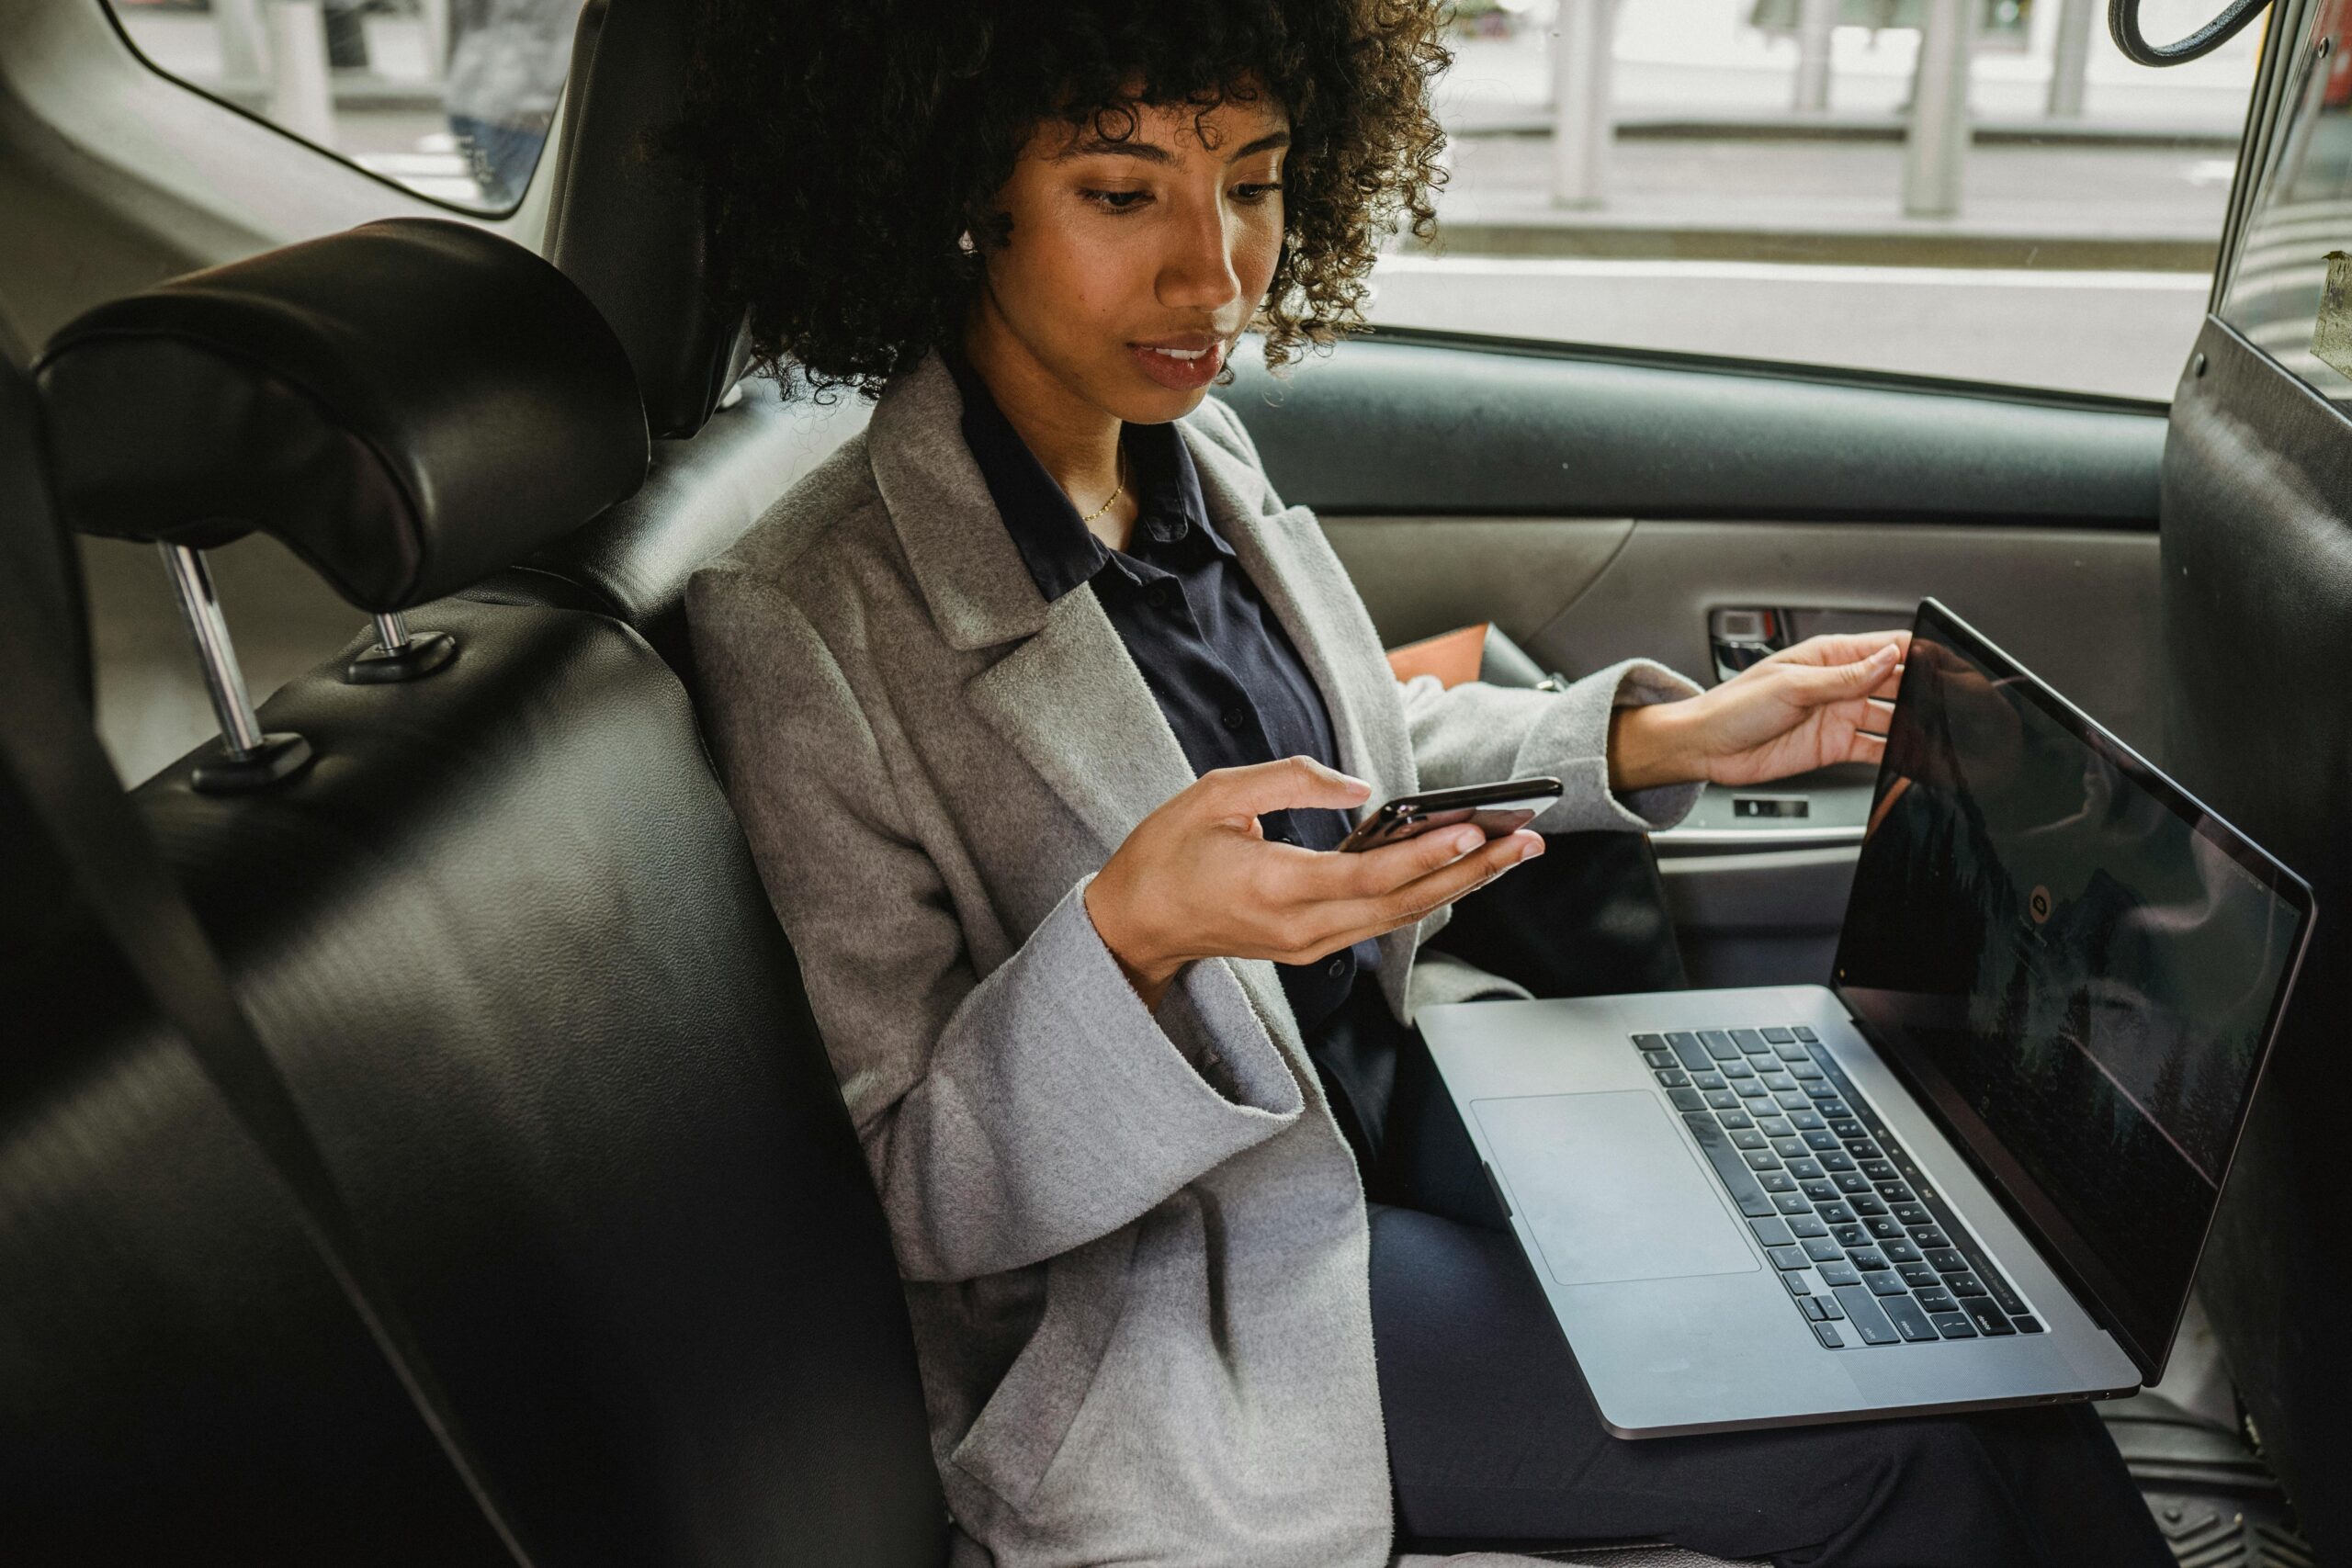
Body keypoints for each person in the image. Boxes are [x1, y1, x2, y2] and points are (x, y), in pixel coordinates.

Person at [678, 5, 2175, 1565]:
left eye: (1251, 184)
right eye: (1123, 196)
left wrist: (1655, 742)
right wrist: (1131, 937)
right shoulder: (810, 621)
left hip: (1402, 1103)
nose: (1216, 274)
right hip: (1177, 1284)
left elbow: (1336, 761)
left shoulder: (1184, 449)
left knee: (1993, 1355)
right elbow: (909, 1192)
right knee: (1903, 1454)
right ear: (955, 192)